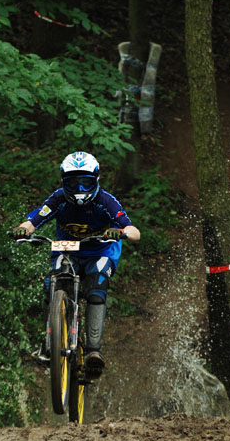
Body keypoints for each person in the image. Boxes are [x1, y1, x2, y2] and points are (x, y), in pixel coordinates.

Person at [10, 151, 140, 379]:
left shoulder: (105, 201)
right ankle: (51, 340)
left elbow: (134, 231)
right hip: (67, 250)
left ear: (96, 180)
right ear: (63, 182)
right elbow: (34, 219)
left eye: (85, 182)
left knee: (96, 289)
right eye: (73, 183)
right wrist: (23, 230)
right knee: (52, 284)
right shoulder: (58, 199)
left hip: (100, 252)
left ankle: (93, 351)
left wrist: (121, 232)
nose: (79, 189)